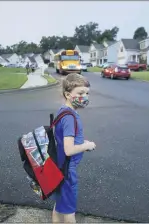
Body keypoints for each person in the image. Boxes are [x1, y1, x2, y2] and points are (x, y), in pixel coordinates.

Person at [52, 73, 96, 223]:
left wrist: (81, 142)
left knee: (59, 206)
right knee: (69, 212)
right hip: (67, 171)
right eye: (80, 93)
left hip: (60, 166)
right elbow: (69, 150)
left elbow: (66, 139)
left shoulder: (64, 110)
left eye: (87, 93)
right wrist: (86, 145)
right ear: (68, 94)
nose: (85, 97)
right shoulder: (69, 118)